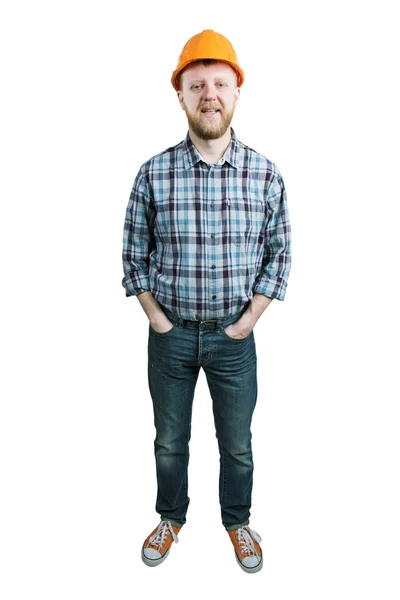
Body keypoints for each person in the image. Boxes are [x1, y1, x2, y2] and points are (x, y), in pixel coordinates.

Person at [121, 29, 291, 574]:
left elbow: (280, 256)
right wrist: (157, 318)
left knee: (237, 445)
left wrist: (246, 323)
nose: (209, 94)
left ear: (237, 92)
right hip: (169, 337)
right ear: (181, 95)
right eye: (197, 85)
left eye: (220, 83)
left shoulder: (265, 175)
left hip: (233, 339)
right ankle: (171, 517)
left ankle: (238, 523)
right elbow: (133, 252)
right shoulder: (154, 172)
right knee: (169, 442)